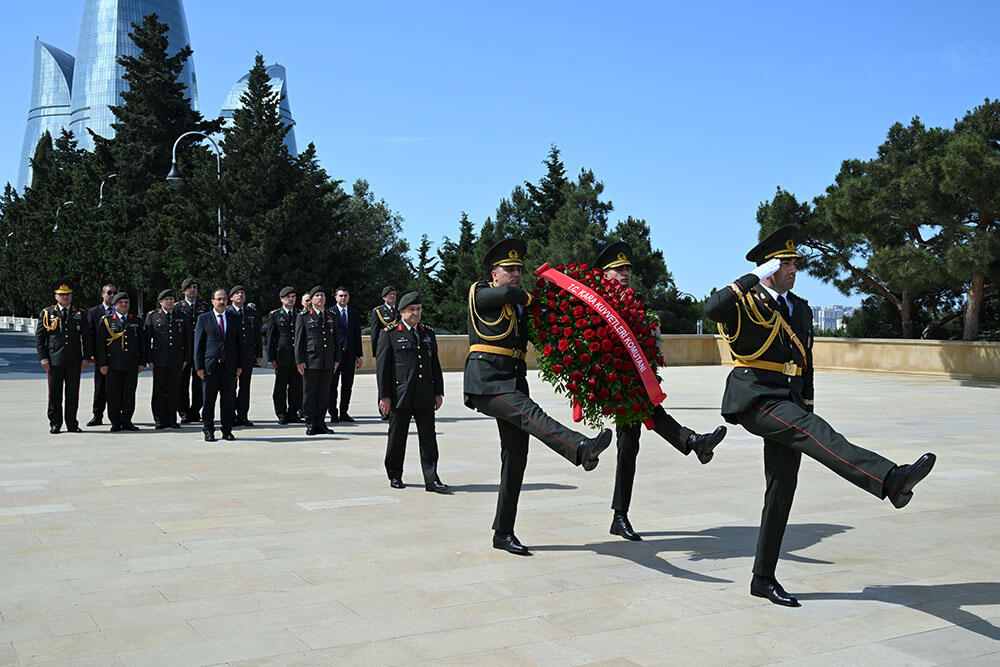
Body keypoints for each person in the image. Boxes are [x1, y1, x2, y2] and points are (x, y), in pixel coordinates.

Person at [704, 225, 936, 607]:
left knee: (781, 488)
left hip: (790, 398)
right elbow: (711, 308)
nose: (794, 268)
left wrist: (806, 403)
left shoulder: (800, 307)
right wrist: (754, 276)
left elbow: (805, 363)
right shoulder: (745, 301)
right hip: (754, 396)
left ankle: (762, 578)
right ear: (769, 267)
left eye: (795, 262)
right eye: (786, 263)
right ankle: (890, 478)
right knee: (813, 433)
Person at [464, 238, 614, 556]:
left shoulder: (520, 308)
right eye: (510, 269)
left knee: (516, 456)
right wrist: (533, 299)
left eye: (520, 269)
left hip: (513, 380)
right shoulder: (481, 292)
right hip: (487, 381)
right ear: (494, 274)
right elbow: (508, 293)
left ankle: (503, 532)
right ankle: (579, 448)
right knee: (531, 414)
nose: (516, 274)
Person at [595, 241, 728, 541]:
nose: (626, 273)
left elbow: (657, 320)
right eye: (619, 269)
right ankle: (694, 442)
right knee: (633, 440)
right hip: (615, 383)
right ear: (605, 275)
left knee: (631, 444)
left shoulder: (635, 301)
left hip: (636, 381)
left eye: (628, 268)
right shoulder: (598, 303)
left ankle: (620, 516)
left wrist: (653, 317)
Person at [376, 292, 449, 493]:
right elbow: (383, 368)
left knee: (429, 438)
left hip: (425, 393)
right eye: (411, 310)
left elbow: (435, 364)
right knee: (397, 437)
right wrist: (384, 396)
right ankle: (395, 474)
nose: (416, 313)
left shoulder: (427, 333)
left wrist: (438, 392)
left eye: (418, 309)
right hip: (400, 395)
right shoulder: (390, 333)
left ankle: (432, 479)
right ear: (401, 312)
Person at [35, 282, 91, 433]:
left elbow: (87, 338)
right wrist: (43, 358)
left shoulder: (79, 313)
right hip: (54, 361)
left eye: (67, 295)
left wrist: (86, 357)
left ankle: (72, 423)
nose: (65, 297)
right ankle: (55, 423)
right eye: (61, 295)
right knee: (54, 394)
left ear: (71, 296)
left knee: (73, 394)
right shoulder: (47, 313)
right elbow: (40, 338)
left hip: (74, 360)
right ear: (55, 296)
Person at [194, 288, 244, 442]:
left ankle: (227, 430)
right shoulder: (204, 318)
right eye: (218, 299)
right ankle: (208, 430)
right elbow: (198, 345)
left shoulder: (234, 318)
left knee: (228, 401)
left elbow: (239, 344)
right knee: (208, 401)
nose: (222, 302)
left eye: (224, 299)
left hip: (229, 367)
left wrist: (240, 365)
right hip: (210, 367)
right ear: (212, 301)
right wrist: (199, 367)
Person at [97, 292, 145, 432]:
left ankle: (127, 420)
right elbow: (101, 345)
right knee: (113, 395)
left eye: (126, 302)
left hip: (131, 364)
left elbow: (142, 343)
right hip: (112, 365)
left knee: (129, 394)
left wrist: (142, 362)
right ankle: (115, 422)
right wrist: (103, 364)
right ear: (114, 305)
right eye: (120, 302)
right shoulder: (106, 321)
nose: (124, 305)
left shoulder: (135, 320)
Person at [295, 286, 340, 435]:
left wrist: (337, 359)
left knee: (324, 393)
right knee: (310, 393)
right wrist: (299, 360)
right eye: (317, 296)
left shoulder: (331, 315)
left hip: (327, 360)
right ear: (312, 299)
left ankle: (321, 422)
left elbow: (336, 339)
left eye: (322, 295)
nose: (320, 298)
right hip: (311, 360)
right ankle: (310, 423)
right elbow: (299, 340)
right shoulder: (304, 316)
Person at [144, 289, 186, 429]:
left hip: (176, 360)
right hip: (159, 360)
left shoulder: (181, 315)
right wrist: (149, 359)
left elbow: (187, 339)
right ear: (160, 302)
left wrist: (186, 358)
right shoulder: (153, 316)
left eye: (171, 299)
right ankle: (159, 419)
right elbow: (146, 340)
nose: (169, 301)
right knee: (159, 391)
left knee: (174, 390)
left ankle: (172, 419)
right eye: (166, 299)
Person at [227, 286, 262, 427]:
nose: (240, 295)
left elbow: (257, 335)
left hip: (247, 355)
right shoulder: (227, 313)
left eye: (242, 293)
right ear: (231, 298)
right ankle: (231, 415)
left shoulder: (251, 313)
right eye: (237, 293)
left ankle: (243, 415)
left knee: (245, 387)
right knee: (230, 387)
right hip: (232, 356)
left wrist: (258, 353)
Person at [266, 286, 302, 424]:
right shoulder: (275, 315)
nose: (291, 299)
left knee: (296, 387)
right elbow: (271, 338)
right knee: (280, 388)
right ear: (282, 299)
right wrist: (271, 358)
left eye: (293, 297)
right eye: (288, 297)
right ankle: (281, 413)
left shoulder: (299, 314)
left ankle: (293, 413)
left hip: (296, 357)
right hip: (281, 357)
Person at [176, 278, 208, 424]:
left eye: (195, 287)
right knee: (182, 383)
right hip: (183, 350)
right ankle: (183, 411)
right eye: (189, 288)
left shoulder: (204, 306)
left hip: (200, 349)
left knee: (199, 382)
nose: (193, 290)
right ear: (184, 291)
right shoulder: (178, 307)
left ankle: (195, 410)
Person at [329, 286, 363, 423]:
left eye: (345, 296)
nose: (343, 298)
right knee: (332, 385)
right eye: (340, 296)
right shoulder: (329, 312)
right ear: (336, 297)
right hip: (335, 356)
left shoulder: (354, 313)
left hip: (350, 354)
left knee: (347, 385)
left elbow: (357, 335)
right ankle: (333, 413)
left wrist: (359, 355)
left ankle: (344, 412)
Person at [86, 283, 116, 426]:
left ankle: (119, 415)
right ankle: (97, 415)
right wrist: (90, 354)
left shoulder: (120, 310)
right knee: (100, 388)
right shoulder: (94, 311)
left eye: (114, 293)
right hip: (101, 356)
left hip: (118, 356)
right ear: (103, 294)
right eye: (109, 293)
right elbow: (90, 334)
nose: (112, 295)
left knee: (118, 388)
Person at [371, 285, 399, 421]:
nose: (392, 297)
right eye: (389, 295)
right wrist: (376, 352)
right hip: (384, 351)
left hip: (397, 351)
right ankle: (383, 410)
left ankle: (395, 407)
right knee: (383, 380)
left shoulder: (400, 311)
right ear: (384, 297)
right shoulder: (378, 311)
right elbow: (374, 333)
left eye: (393, 294)